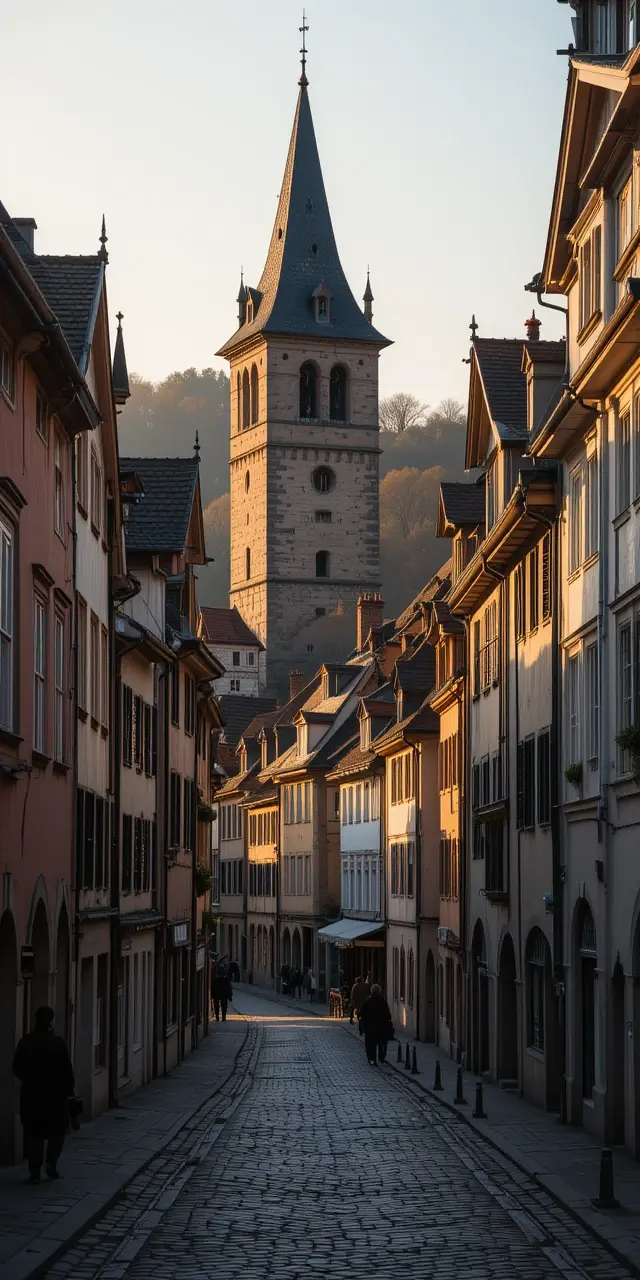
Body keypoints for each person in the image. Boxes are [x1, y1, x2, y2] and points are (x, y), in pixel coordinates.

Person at [12, 1006, 75, 1184]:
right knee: (57, 1133)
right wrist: (69, 1090)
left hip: (32, 1096)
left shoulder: (26, 1042)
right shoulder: (58, 1043)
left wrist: (28, 1079)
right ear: (51, 1021)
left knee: (34, 1135)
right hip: (55, 1097)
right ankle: (51, 1164)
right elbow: (66, 1070)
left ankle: (34, 1172)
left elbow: (16, 1067)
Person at [359, 984, 393, 1066]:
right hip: (381, 1027)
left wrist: (363, 1027)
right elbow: (388, 1015)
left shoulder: (368, 1001)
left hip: (370, 1028)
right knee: (382, 1043)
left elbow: (362, 1014)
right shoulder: (382, 1001)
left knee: (370, 1045)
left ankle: (372, 1059)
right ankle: (381, 1057)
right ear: (379, 991)